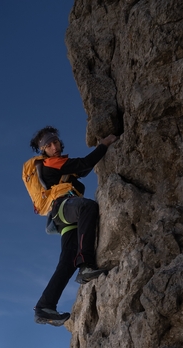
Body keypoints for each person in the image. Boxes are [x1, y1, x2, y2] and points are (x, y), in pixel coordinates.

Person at [24, 126, 117, 326]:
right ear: (43, 150)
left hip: (61, 218)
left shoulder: (56, 166)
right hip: (63, 207)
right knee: (88, 207)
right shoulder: (51, 163)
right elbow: (83, 165)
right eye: (48, 145)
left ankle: (44, 307)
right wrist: (104, 144)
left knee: (67, 260)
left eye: (55, 142)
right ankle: (86, 265)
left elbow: (79, 169)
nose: (54, 146)